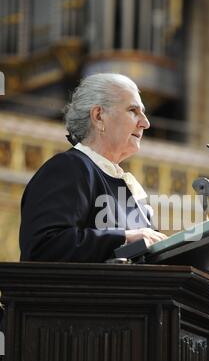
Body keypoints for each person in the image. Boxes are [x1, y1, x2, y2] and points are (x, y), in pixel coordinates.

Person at [19, 73, 167, 262]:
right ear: (98, 116)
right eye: (133, 110)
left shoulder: (130, 191)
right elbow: (44, 246)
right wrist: (124, 237)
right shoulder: (69, 168)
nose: (145, 123)